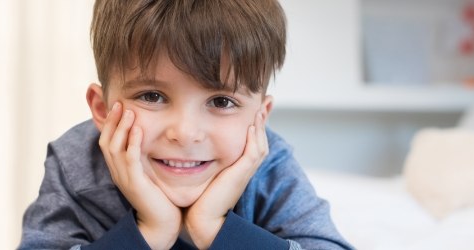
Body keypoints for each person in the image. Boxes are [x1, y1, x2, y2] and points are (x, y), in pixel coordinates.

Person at [18, 0, 353, 249]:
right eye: (152, 96)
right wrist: (151, 230)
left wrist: (214, 227)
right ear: (103, 109)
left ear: (259, 117)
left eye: (221, 101)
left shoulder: (268, 164)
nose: (185, 132)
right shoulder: (77, 166)